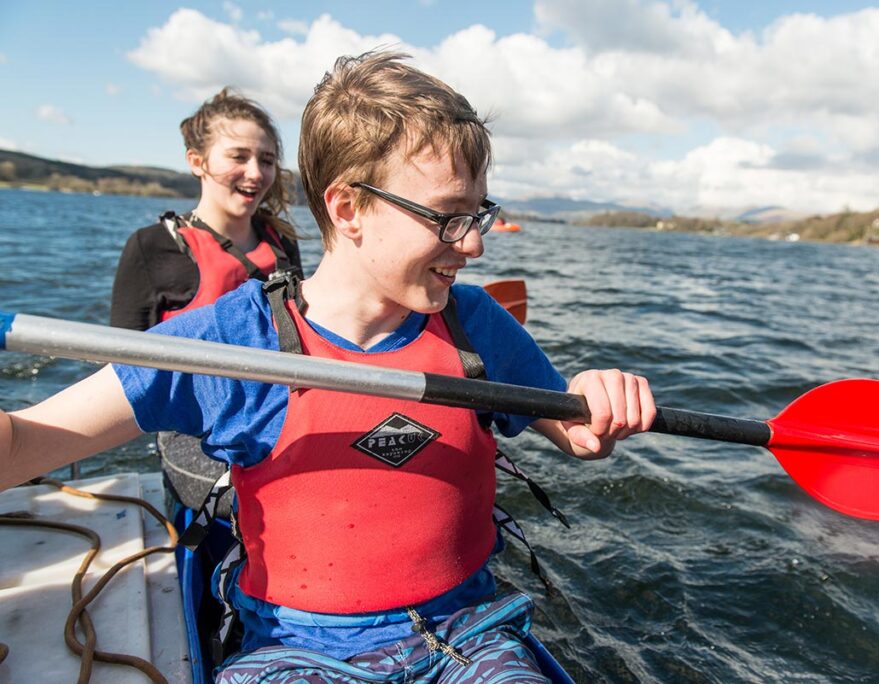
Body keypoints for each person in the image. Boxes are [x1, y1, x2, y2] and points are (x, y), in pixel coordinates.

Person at [1, 51, 656, 682]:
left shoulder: (475, 324)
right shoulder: (228, 343)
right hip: (298, 652)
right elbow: (27, 444)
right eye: (450, 218)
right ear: (348, 209)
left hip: (470, 639)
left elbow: (579, 435)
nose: (476, 244)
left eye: (478, 213)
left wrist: (595, 397)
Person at [109, 88, 304, 515]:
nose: (255, 172)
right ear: (197, 162)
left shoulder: (283, 243)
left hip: (279, 414)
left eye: (267, 160)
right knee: (265, 506)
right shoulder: (153, 247)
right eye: (239, 156)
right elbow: (119, 368)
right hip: (193, 430)